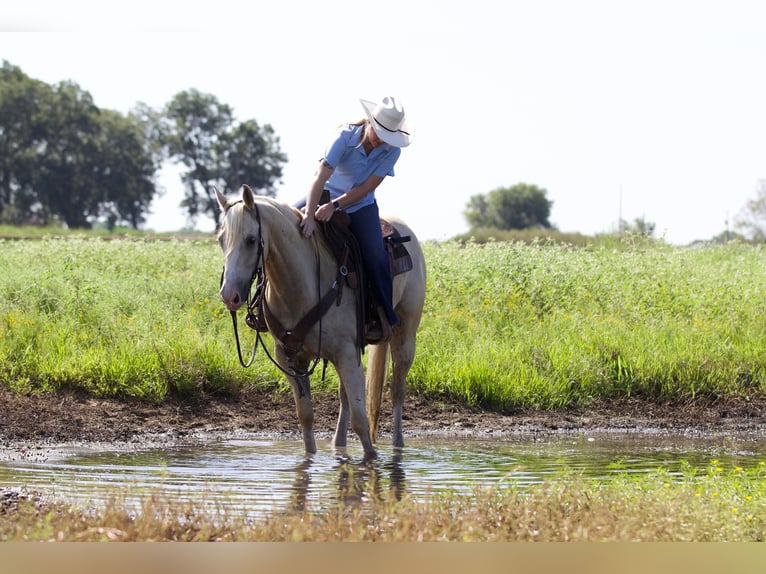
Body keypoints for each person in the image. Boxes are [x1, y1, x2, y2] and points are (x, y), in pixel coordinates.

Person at [298, 96, 413, 339]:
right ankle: (260, 300)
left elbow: (365, 188)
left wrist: (335, 206)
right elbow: (319, 178)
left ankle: (384, 316)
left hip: (360, 205)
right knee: (282, 226)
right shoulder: (344, 138)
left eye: (387, 136)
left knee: (375, 254)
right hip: (323, 193)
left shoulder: (392, 151)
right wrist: (309, 214)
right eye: (379, 132)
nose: (381, 140)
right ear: (370, 122)